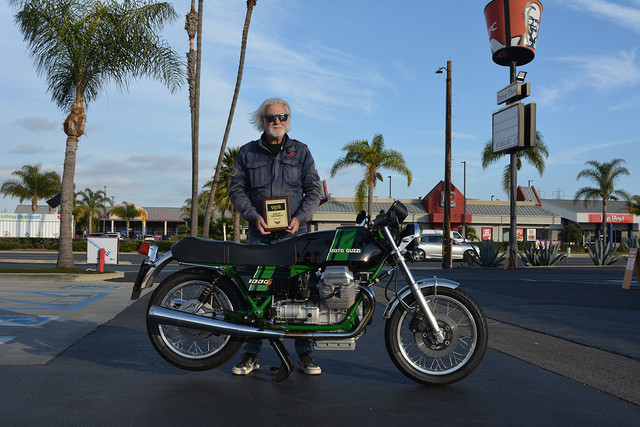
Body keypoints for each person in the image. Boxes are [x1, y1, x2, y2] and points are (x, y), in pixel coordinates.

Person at [228, 97, 323, 376]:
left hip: (295, 237)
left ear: (288, 119)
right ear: (262, 121)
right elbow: (236, 190)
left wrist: (299, 218)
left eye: (282, 116)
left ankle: (304, 353)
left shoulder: (301, 152)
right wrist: (253, 216)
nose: (277, 122)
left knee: (301, 294)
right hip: (260, 236)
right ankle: (251, 354)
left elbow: (314, 190)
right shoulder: (247, 153)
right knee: (256, 295)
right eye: (271, 117)